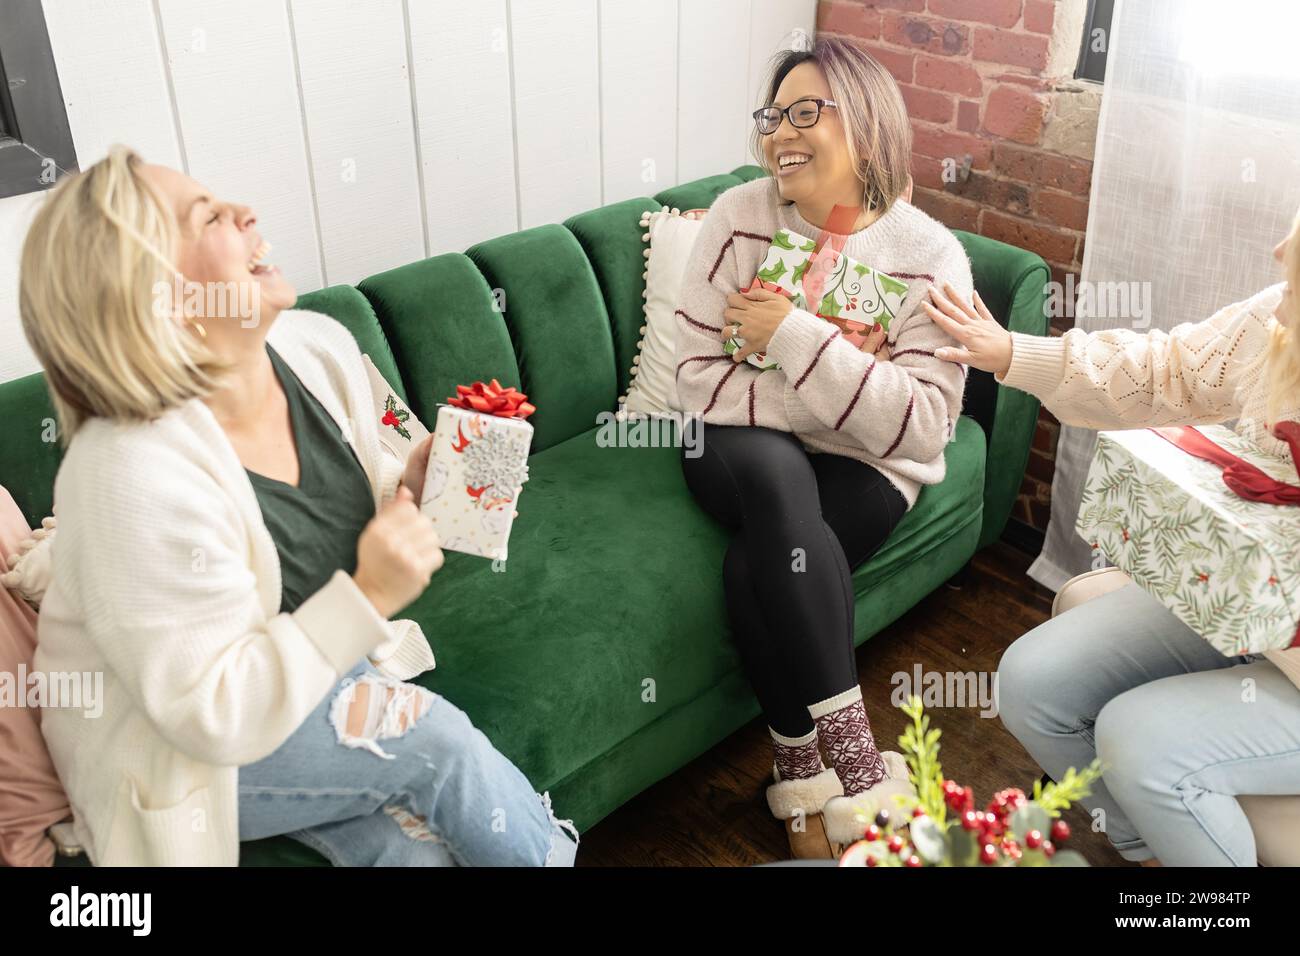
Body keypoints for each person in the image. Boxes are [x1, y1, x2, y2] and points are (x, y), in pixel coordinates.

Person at [20, 145, 578, 866]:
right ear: (149, 294)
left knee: (411, 858)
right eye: (210, 217)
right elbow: (211, 714)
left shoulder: (315, 347)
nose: (247, 212)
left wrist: (407, 482)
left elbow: (328, 497)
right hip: (183, 749)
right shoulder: (124, 473)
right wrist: (371, 591)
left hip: (314, 674)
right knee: (437, 745)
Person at [925, 210, 1300, 866]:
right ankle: (1148, 850)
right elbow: (1167, 371)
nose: (1279, 247)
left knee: (1138, 737)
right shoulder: (1279, 319)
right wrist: (1011, 352)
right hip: (1247, 614)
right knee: (1031, 681)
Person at [674, 37, 973, 857]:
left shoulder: (931, 258)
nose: (782, 133)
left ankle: (799, 776)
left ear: (868, 129)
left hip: (868, 467)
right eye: (775, 115)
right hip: (733, 442)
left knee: (755, 563)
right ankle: (860, 769)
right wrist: (842, 390)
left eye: (808, 112)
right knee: (777, 483)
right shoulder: (738, 219)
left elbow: (920, 428)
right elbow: (696, 378)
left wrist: (793, 337)